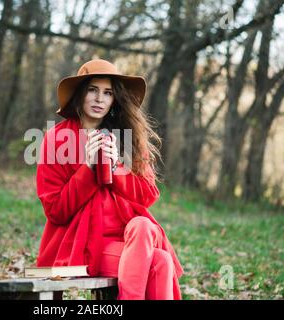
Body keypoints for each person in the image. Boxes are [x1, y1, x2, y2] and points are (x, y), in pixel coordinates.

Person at [35, 59, 183, 300]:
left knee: (143, 225)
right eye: (92, 90)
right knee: (161, 262)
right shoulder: (57, 139)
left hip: (131, 239)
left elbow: (147, 195)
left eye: (108, 93)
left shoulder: (127, 138)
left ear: (115, 99)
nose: (99, 99)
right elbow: (56, 210)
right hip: (86, 246)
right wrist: (88, 168)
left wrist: (116, 169)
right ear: (79, 94)